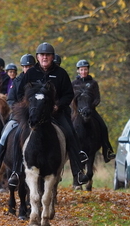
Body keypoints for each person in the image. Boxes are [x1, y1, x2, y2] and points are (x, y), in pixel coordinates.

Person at [11, 42, 89, 186]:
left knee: (70, 133)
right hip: (34, 114)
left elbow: (68, 94)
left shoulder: (61, 74)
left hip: (56, 113)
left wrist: (58, 105)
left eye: (48, 55)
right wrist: (30, 106)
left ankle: (78, 172)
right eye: (42, 55)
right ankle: (16, 172)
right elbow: (21, 93)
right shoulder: (30, 74)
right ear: (37, 57)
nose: (45, 57)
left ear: (52, 57)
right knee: (17, 134)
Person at [0, 54, 36, 178]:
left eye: (30, 66)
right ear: (22, 68)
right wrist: (20, 109)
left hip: (38, 116)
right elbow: (11, 100)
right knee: (4, 135)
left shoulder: (40, 79)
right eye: (25, 67)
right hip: (19, 116)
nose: (27, 69)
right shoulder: (18, 81)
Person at [72, 59, 116, 163]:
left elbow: (97, 98)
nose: (83, 72)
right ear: (78, 71)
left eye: (85, 69)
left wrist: (90, 107)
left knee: (103, 126)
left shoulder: (93, 83)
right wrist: (77, 108)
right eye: (81, 70)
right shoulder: (73, 84)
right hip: (77, 112)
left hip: (90, 110)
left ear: (88, 70)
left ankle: (107, 151)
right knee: (68, 127)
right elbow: (71, 99)